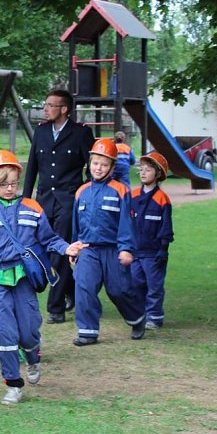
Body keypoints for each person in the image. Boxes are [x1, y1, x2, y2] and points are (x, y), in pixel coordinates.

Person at [0, 150, 86, 405]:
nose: (10, 189)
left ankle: (33, 357)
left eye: (14, 183)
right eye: (3, 184)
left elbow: (49, 238)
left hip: (24, 281)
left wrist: (67, 248)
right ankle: (13, 384)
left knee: (29, 331)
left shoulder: (33, 208)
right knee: (4, 332)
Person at [23, 88, 95, 324]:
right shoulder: (41, 131)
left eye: (50, 105)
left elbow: (93, 167)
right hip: (44, 201)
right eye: (46, 104)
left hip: (68, 200)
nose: (45, 108)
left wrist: (82, 192)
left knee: (61, 252)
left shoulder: (81, 133)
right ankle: (72, 291)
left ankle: (56, 308)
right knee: (43, 248)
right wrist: (24, 200)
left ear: (64, 109)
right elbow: (32, 167)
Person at [71, 138, 147, 346]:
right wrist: (74, 247)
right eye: (95, 163)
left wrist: (126, 249)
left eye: (104, 164)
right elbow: (75, 223)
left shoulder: (120, 191)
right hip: (88, 250)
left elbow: (126, 223)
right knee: (84, 286)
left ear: (112, 167)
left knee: (118, 290)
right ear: (90, 164)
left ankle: (137, 319)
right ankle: (87, 331)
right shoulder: (81, 191)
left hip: (113, 250)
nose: (99, 168)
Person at [130, 152, 174, 329]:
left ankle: (154, 316)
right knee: (135, 283)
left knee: (154, 286)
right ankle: (140, 315)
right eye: (141, 169)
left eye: (148, 170)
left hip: (153, 253)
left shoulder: (162, 199)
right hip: (134, 251)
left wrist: (163, 249)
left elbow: (166, 227)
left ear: (157, 173)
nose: (143, 173)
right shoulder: (132, 196)